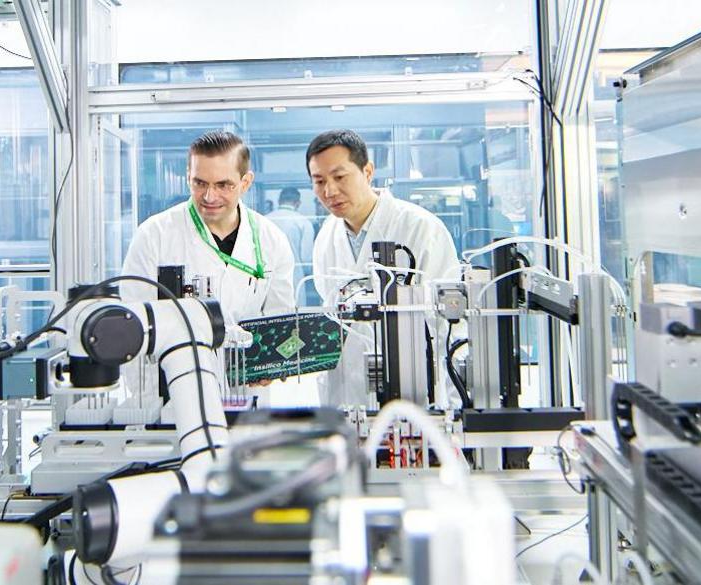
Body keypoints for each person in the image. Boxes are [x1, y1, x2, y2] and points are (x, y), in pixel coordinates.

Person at [308, 129, 460, 407]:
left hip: (413, 392)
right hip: (346, 395)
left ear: (367, 171)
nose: (329, 191)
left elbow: (447, 327)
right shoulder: (325, 237)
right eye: (319, 181)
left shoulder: (420, 228)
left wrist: (451, 405)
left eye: (340, 177)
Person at [121, 130, 295, 323]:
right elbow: (135, 318)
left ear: (245, 183)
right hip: (177, 353)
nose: (209, 197)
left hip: (247, 353)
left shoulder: (272, 239)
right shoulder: (154, 235)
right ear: (188, 177)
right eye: (200, 183)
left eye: (223, 185)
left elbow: (280, 324)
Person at [267, 187, 315, 305]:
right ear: (298, 203)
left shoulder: (264, 220)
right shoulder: (303, 222)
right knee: (295, 317)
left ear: (279, 201)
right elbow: (306, 259)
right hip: (294, 277)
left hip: (267, 276)